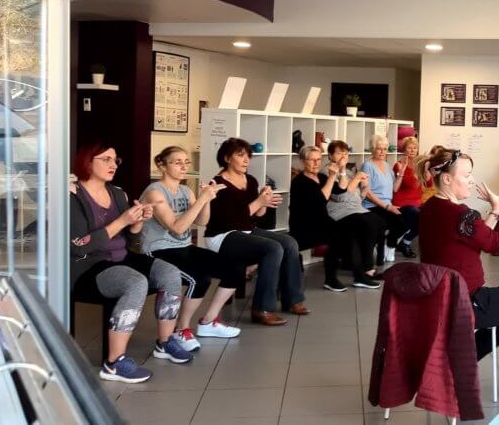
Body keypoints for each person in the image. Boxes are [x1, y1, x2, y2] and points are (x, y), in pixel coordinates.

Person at [417, 148, 499, 392]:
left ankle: (451, 363)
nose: (472, 180)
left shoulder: (431, 208)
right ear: (447, 179)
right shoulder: (461, 214)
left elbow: (473, 243)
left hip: (438, 300)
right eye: (466, 175)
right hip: (465, 302)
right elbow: (495, 245)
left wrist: (495, 210)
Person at [70, 144, 192, 383]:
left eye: (115, 160)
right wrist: (123, 220)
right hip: (87, 266)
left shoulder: (118, 193)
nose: (113, 165)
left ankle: (165, 343)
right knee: (135, 282)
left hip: (120, 257)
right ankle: (114, 363)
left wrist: (136, 223)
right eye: (105, 159)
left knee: (169, 272)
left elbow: (131, 240)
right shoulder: (74, 194)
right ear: (87, 161)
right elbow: (80, 244)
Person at [140, 146, 243, 352]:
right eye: (177, 162)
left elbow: (202, 221)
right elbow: (177, 228)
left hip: (184, 247)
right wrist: (203, 198)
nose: (184, 166)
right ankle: (182, 329)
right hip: (159, 250)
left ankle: (208, 321)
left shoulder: (186, 190)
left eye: (186, 162)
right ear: (162, 165)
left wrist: (208, 200)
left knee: (235, 268)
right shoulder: (154, 193)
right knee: (200, 278)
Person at [204, 137, 308, 326]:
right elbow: (232, 220)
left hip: (246, 231)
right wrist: (259, 202)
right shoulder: (217, 183)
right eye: (240, 155)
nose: (246, 160)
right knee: (273, 248)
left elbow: (255, 216)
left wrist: (264, 200)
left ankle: (293, 299)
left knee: (290, 243)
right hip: (222, 235)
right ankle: (262, 308)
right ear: (227, 158)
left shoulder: (250, 180)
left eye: (248, 156)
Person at [325, 140, 386, 289]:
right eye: (339, 153)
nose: (343, 156)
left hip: (355, 209)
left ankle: (364, 268)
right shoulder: (327, 172)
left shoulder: (349, 172)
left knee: (379, 221)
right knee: (369, 223)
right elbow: (341, 197)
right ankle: (366, 269)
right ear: (330, 155)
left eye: (346, 153)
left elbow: (358, 197)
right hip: (339, 212)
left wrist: (364, 188)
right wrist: (355, 178)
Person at [289, 145, 349, 292]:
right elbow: (321, 199)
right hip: (303, 227)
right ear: (303, 161)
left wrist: (341, 170)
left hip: (321, 222)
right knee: (336, 234)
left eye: (319, 160)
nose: (316, 163)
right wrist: (332, 176)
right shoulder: (299, 182)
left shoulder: (321, 177)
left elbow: (342, 189)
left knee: (343, 232)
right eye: (312, 160)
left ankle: (332, 278)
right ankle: (331, 279)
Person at [361, 134, 408, 264]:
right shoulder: (367, 165)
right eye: (379, 148)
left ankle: (389, 245)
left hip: (387, 205)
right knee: (398, 221)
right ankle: (386, 245)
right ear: (372, 149)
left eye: (385, 149)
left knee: (406, 221)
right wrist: (387, 207)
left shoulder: (387, 165)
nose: (382, 152)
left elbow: (395, 188)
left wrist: (401, 173)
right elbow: (368, 193)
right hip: (372, 206)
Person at [392, 136, 423, 258]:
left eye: (415, 148)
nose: (412, 150)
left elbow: (429, 183)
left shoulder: (420, 164)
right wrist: (417, 173)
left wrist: (426, 171)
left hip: (418, 202)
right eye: (409, 148)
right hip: (402, 203)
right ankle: (404, 244)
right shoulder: (399, 165)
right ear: (404, 150)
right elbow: (408, 184)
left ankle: (404, 242)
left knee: (427, 219)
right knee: (417, 217)